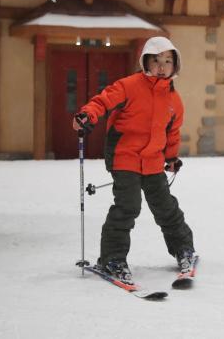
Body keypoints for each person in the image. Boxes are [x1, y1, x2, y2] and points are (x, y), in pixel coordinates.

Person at [72, 36, 195, 283]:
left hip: (152, 160)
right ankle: (112, 259)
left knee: (165, 207)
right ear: (145, 62)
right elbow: (102, 101)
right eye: (157, 60)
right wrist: (87, 115)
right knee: (128, 206)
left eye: (168, 61)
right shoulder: (129, 86)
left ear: (175, 65)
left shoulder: (174, 100)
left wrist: (171, 158)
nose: (162, 66)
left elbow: (172, 132)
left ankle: (184, 249)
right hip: (124, 156)